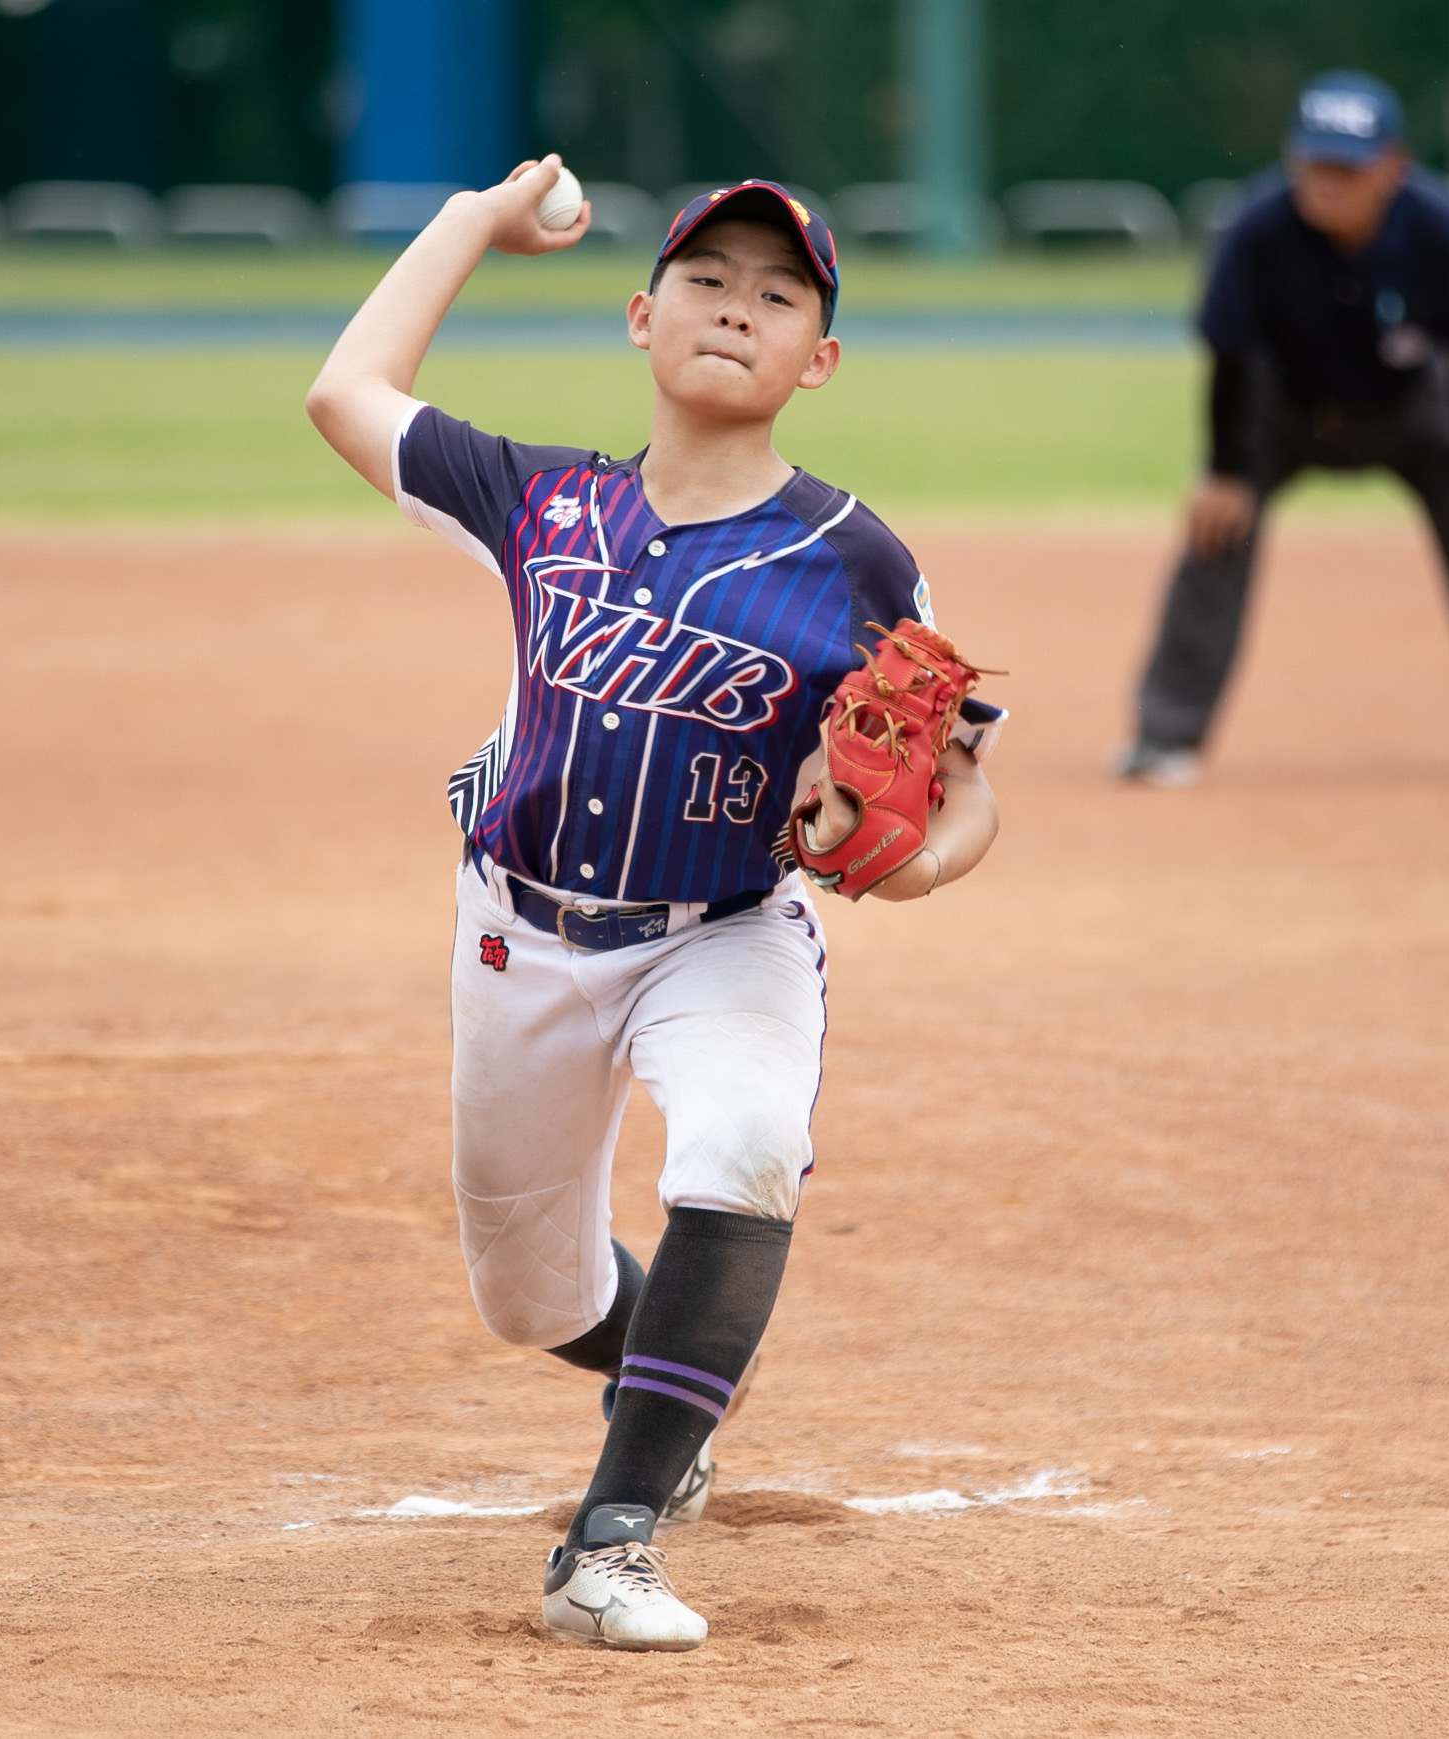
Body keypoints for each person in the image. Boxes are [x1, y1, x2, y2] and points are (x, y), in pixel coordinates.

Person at [306, 162, 1002, 1650]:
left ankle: (608, 1539)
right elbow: (344, 393)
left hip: (726, 934)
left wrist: (917, 857)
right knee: (529, 1296)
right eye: (706, 280)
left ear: (817, 359)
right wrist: (474, 223)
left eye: (776, 295)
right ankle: (680, 1364)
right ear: (641, 315)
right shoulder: (540, 499)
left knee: (745, 1142)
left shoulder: (859, 560)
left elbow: (964, 780)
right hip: (519, 935)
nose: (735, 310)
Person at [1114, 70, 1449, 787]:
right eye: (1314, 164)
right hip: (1282, 411)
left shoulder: (1442, 230)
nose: (1327, 183)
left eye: (1348, 167)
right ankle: (1164, 737)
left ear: (1393, 167)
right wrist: (1224, 468)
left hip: (1413, 409)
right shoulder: (1255, 228)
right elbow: (1229, 356)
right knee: (1217, 528)